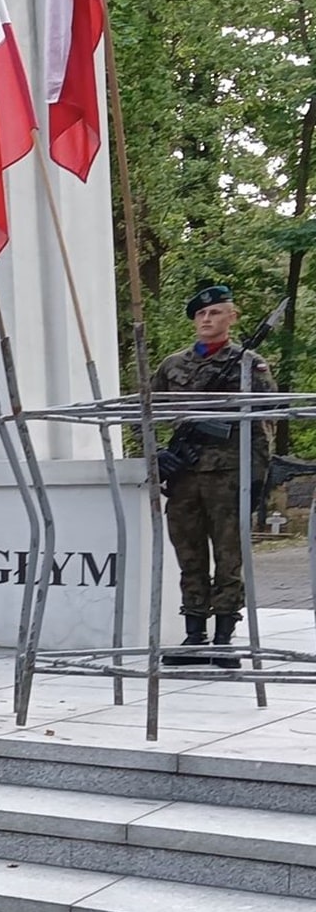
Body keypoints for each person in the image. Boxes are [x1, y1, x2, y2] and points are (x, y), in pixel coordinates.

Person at [155, 283, 274, 666]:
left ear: (231, 317)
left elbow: (264, 421)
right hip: (184, 476)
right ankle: (194, 636)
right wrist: (156, 456)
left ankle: (223, 638)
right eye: (201, 314)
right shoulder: (173, 365)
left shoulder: (249, 362)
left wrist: (257, 477)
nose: (207, 319)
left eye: (216, 312)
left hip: (228, 475)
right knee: (189, 556)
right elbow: (148, 415)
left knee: (228, 557)